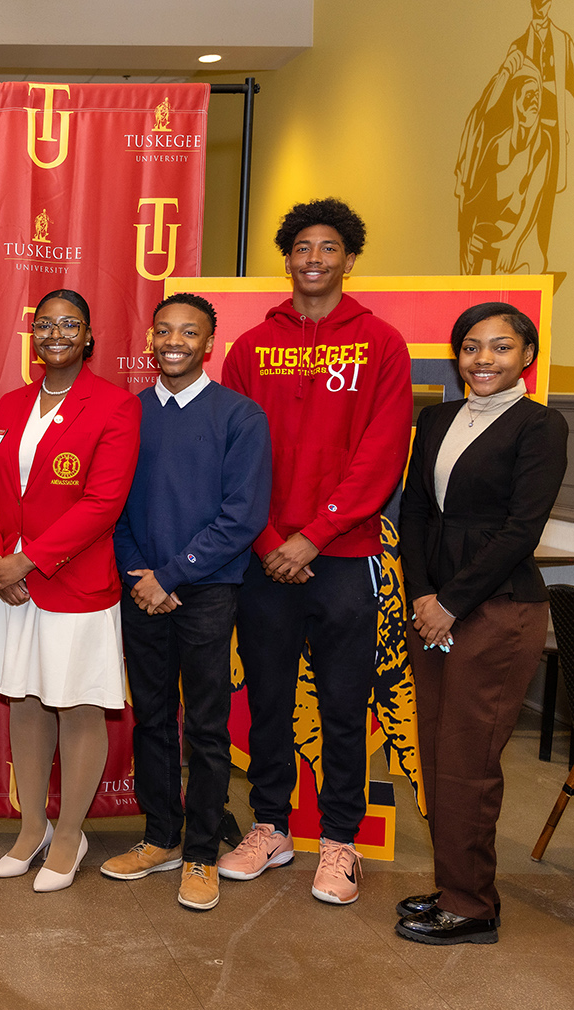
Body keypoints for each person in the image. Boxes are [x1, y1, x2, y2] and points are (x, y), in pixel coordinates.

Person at [218, 198, 412, 904]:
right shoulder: (248, 348)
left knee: (341, 705)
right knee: (268, 700)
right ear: (289, 257)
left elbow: (381, 457)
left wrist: (313, 536)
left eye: (329, 247)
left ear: (350, 259)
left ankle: (339, 842)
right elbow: (232, 458)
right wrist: (272, 540)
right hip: (264, 556)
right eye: (303, 246)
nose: (315, 258)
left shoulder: (381, 343)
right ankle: (270, 826)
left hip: (344, 555)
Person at [396, 303, 567, 945]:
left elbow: (520, 531)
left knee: (470, 759)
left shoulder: (540, 426)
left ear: (527, 354)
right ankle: (453, 886)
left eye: (500, 347)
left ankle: (472, 907)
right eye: (471, 347)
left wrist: (451, 602)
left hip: (497, 610)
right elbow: (414, 512)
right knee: (438, 753)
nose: (484, 359)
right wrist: (422, 594)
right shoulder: (437, 417)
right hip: (433, 606)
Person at [103, 293, 271, 911]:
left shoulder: (240, 417)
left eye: (189, 332)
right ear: (151, 338)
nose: (175, 341)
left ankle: (201, 851)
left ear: (209, 342)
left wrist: (171, 576)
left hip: (205, 592)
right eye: (165, 330)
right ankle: (160, 837)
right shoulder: (128, 413)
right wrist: (140, 574)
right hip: (141, 588)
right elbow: (110, 505)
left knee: (203, 726)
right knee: (150, 716)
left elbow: (242, 516)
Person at [0, 288, 141, 892]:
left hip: (74, 584)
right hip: (11, 585)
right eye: (45, 324)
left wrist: (28, 563)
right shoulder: (11, 404)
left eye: (70, 324)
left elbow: (103, 503)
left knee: (77, 705)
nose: (57, 333)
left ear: (89, 336)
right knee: (26, 700)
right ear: (32, 335)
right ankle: (33, 825)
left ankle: (70, 833)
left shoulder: (116, 407)